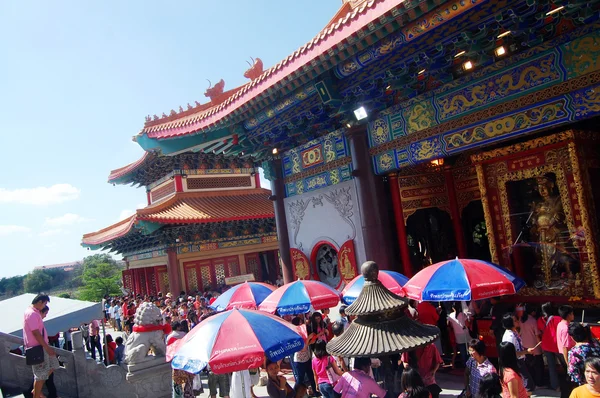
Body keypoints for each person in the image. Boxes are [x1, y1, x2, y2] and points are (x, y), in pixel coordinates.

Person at [24, 295, 59, 398]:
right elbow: (35, 333)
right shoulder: (32, 314)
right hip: (38, 348)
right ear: (40, 302)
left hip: (42, 346)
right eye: (44, 303)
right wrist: (46, 347)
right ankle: (36, 394)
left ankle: (36, 390)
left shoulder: (34, 313)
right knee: (40, 375)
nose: (44, 306)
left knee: (53, 365)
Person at [501, 313, 535, 393]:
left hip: (520, 359)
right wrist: (527, 352)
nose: (517, 321)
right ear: (510, 323)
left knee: (526, 380)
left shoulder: (513, 332)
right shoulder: (509, 336)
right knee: (527, 382)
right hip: (516, 361)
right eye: (515, 320)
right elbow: (513, 353)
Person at [515, 304, 543, 387]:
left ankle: (532, 382)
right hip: (535, 346)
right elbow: (537, 335)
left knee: (529, 366)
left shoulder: (521, 319)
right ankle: (539, 383)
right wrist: (541, 348)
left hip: (525, 346)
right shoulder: (533, 321)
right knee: (538, 366)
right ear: (533, 312)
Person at [538, 302, 562, 391]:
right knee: (565, 364)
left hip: (546, 345)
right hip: (557, 345)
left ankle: (556, 386)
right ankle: (570, 382)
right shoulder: (558, 319)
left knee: (551, 367)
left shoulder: (540, 320)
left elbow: (540, 331)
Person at [291, 317, 317, 395]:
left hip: (307, 358)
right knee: (300, 379)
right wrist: (309, 339)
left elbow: (306, 345)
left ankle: (315, 392)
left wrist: (310, 341)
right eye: (299, 323)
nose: (301, 324)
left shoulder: (303, 332)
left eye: (301, 322)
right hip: (299, 361)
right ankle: (296, 394)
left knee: (311, 376)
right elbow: (302, 348)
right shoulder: (295, 335)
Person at [448, 301, 470, 367]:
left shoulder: (451, 315)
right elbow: (467, 324)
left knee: (462, 351)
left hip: (457, 335)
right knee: (468, 350)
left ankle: (464, 365)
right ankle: (469, 364)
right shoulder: (463, 315)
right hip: (465, 334)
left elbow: (450, 325)